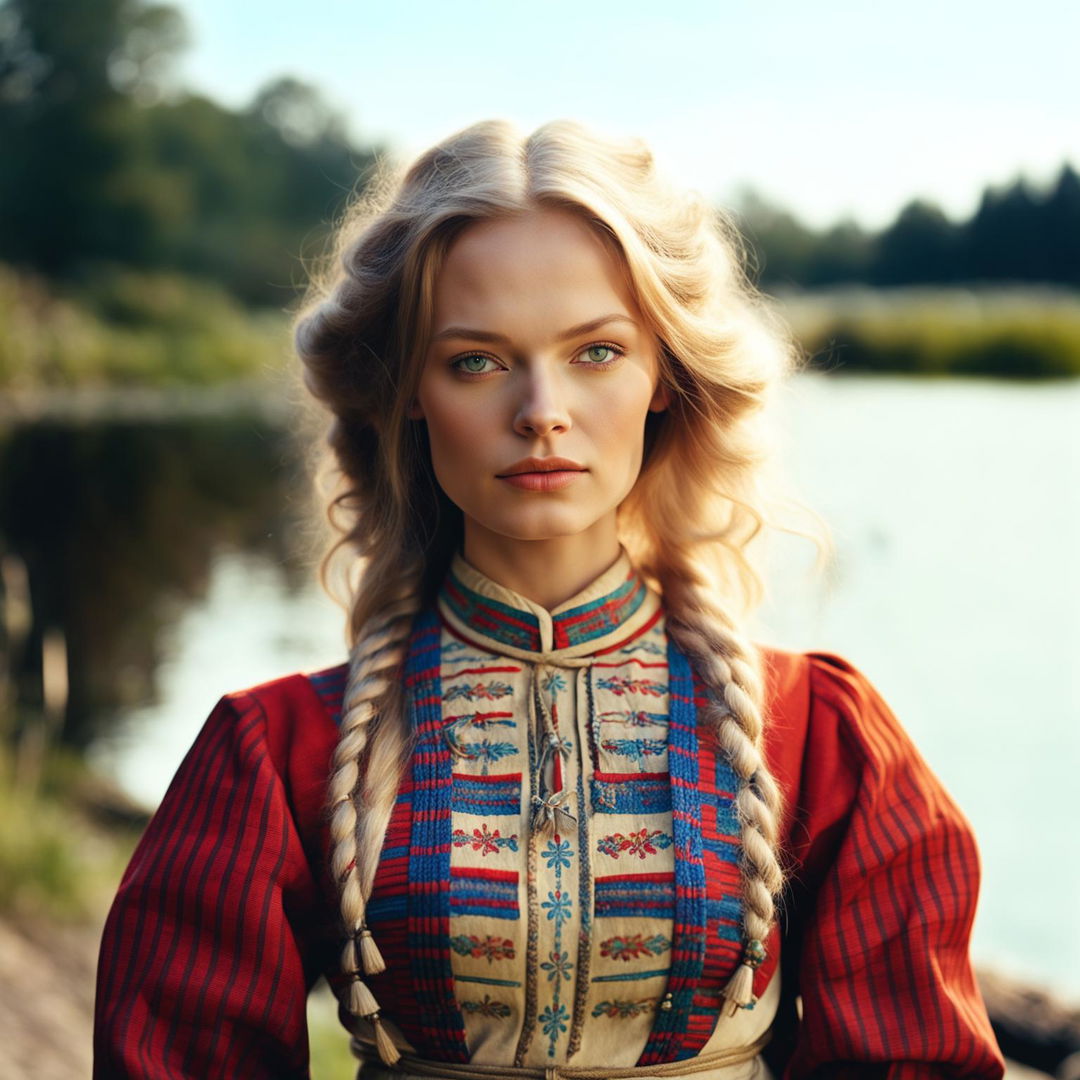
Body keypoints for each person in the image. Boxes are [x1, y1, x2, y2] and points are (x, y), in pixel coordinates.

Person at [93, 119, 1005, 1079]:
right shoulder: (277, 753)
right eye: (475, 360)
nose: (541, 411)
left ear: (665, 374)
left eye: (596, 352)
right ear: (408, 389)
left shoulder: (821, 738)